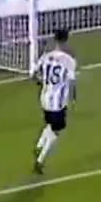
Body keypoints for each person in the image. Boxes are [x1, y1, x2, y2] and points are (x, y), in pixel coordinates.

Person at [32, 29, 78, 176]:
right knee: (56, 130)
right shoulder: (69, 60)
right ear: (66, 40)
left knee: (50, 123)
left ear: (55, 40)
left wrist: (42, 82)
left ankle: (39, 145)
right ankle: (40, 160)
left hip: (44, 97)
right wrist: (73, 98)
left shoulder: (46, 56)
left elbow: (34, 75)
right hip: (58, 102)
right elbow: (71, 82)